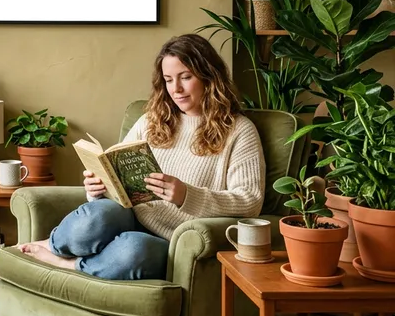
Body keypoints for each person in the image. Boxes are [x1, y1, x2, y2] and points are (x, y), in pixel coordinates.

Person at [19, 33, 264, 280]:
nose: (176, 89)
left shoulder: (239, 130)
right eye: (168, 80)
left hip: (172, 239)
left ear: (209, 76)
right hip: (129, 215)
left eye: (186, 77)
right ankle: (53, 245)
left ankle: (70, 265)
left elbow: (250, 201)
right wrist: (98, 187)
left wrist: (186, 196)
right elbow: (118, 175)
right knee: (95, 217)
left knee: (132, 250)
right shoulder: (152, 119)